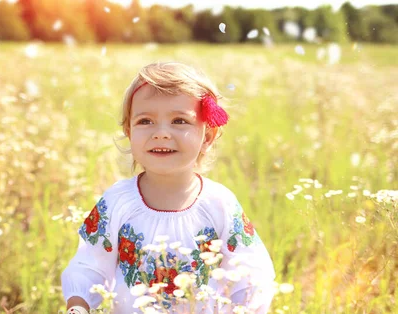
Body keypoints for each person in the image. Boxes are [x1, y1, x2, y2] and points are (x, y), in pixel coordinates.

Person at [61, 62, 276, 314]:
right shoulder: (116, 201)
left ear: (206, 136)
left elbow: (251, 272)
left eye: (179, 120)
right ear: (128, 131)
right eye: (145, 121)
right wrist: (78, 305)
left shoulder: (220, 204)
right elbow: (90, 264)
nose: (161, 133)